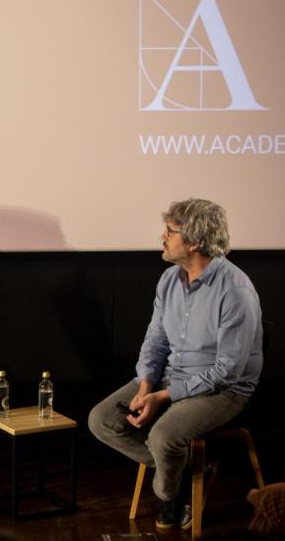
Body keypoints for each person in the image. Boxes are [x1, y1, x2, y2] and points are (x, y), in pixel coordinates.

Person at [88, 198, 263, 531]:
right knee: (102, 420)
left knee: (164, 436)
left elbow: (227, 371)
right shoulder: (169, 280)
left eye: (171, 231)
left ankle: (171, 495)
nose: (163, 237)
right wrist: (146, 387)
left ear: (195, 241)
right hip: (172, 376)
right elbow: (156, 341)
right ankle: (193, 470)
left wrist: (162, 399)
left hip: (223, 389)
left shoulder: (235, 291)